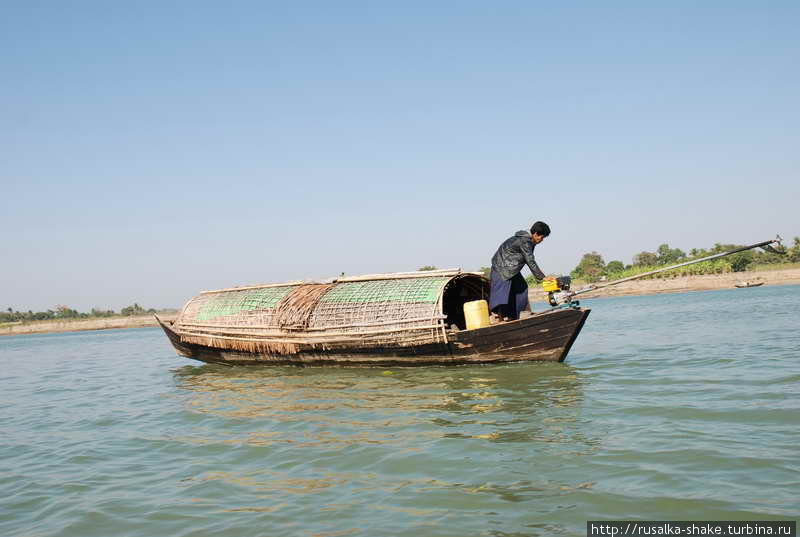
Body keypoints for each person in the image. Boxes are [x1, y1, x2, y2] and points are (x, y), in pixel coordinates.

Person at [488, 221, 552, 322]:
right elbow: (530, 260)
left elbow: (528, 259)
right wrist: (543, 277)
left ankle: (513, 317)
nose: (542, 240)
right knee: (501, 297)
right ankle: (501, 320)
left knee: (521, 288)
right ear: (535, 234)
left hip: (511, 269)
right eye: (542, 237)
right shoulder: (525, 241)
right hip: (502, 269)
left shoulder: (527, 240)